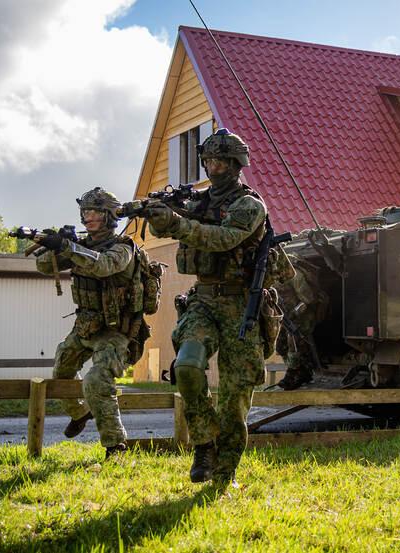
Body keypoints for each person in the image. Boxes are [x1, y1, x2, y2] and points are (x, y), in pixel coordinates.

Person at [144, 128, 289, 488]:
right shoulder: (199, 202)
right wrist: (158, 214)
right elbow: (178, 223)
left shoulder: (249, 205)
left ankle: (225, 475)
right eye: (207, 159)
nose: (212, 166)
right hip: (204, 299)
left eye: (219, 160)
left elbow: (223, 238)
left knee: (234, 400)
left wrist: (176, 222)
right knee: (188, 368)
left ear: (235, 164)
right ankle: (204, 442)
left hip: (243, 304)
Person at [35, 187, 137, 459]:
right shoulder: (80, 246)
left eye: (95, 212)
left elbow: (104, 265)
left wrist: (70, 248)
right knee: (62, 369)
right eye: (85, 212)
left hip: (115, 328)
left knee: (97, 379)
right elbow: (43, 266)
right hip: (86, 324)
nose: (88, 217)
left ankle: (115, 446)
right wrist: (57, 246)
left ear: (109, 216)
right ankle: (80, 412)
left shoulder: (123, 247)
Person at [274, 253, 329, 389]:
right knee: (280, 346)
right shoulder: (272, 276)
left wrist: (293, 313)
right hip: (285, 318)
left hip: (302, 318)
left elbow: (309, 299)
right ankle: (300, 370)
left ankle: (293, 374)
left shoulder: (295, 275)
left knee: (294, 345)